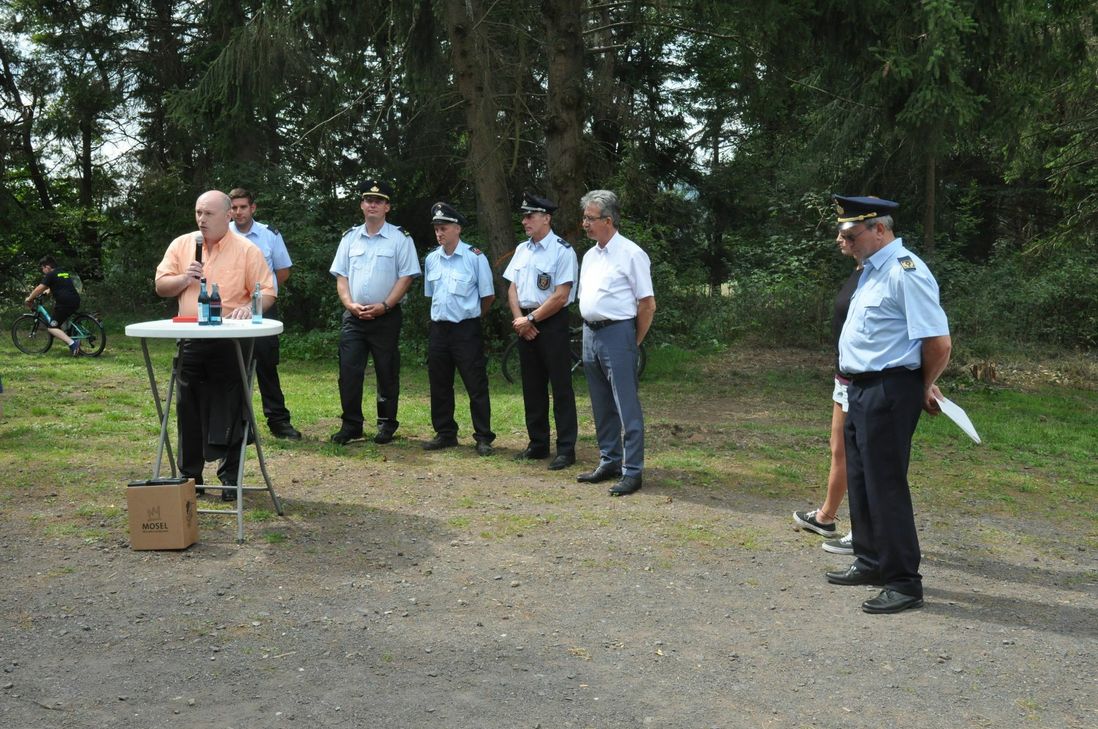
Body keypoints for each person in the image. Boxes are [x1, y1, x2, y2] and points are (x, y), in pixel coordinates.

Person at [825, 194, 951, 614]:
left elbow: (938, 342)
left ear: (880, 229)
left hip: (889, 389)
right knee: (860, 478)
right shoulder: (871, 271)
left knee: (885, 485)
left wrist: (923, 385)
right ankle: (870, 559)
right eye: (844, 234)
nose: (848, 242)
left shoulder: (905, 272)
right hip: (859, 387)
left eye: (853, 234)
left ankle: (903, 582)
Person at [155, 190, 275, 500]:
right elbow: (161, 286)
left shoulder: (247, 250)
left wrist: (250, 307)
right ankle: (190, 476)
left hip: (231, 340)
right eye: (198, 213)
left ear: (228, 216)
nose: (201, 219)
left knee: (232, 407)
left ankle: (229, 478)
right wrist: (184, 279)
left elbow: (268, 292)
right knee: (187, 405)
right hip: (192, 338)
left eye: (208, 214)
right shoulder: (183, 245)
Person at [575, 190, 655, 496]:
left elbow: (647, 304)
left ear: (608, 220)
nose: (585, 224)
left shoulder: (632, 253)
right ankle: (609, 460)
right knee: (600, 404)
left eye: (590, 218)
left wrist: (632, 341)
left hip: (618, 334)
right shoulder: (590, 255)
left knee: (626, 406)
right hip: (590, 334)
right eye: (584, 217)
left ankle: (632, 470)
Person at [329, 180, 421, 445]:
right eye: (368, 200)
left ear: (387, 207)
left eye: (379, 201)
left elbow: (406, 277)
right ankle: (351, 425)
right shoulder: (349, 238)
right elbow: (341, 276)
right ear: (361, 205)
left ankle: (386, 424)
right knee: (348, 371)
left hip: (386, 316)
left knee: (387, 371)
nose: (373, 204)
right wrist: (348, 304)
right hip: (354, 317)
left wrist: (386, 306)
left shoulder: (400, 239)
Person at [793, 230, 862, 554]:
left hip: (863, 380)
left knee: (857, 453)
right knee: (840, 448)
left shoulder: (884, 274)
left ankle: (865, 532)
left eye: (846, 233)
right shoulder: (861, 271)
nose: (839, 238)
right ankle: (826, 516)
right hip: (845, 376)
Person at [503, 192, 579, 471]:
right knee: (532, 387)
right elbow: (512, 287)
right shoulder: (523, 249)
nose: (525, 221)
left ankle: (566, 449)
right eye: (524, 216)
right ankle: (537, 444)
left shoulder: (562, 250)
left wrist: (532, 318)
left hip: (552, 323)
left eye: (530, 216)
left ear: (546, 218)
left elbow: (561, 295)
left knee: (561, 387)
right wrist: (520, 320)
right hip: (524, 323)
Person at [422, 202, 496, 456]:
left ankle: (483, 436)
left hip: (466, 329)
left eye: (443, 228)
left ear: (457, 229)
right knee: (439, 383)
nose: (439, 233)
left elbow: (487, 296)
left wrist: (471, 317)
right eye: (436, 229)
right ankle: (445, 433)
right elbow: (431, 295)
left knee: (475, 384)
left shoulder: (475, 257)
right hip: (439, 330)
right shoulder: (432, 259)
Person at [229, 188, 301, 441]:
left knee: (267, 366)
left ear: (253, 208)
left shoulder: (269, 235)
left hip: (263, 309)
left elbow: (282, 271)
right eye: (234, 208)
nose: (238, 212)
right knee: (234, 368)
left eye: (243, 207)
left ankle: (279, 422)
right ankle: (238, 425)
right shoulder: (223, 235)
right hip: (232, 312)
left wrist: (263, 296)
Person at [24, 256, 82, 356]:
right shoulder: (62, 272)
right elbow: (59, 284)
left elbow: (39, 289)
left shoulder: (50, 274)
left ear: (47, 267)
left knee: (52, 328)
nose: (42, 271)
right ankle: (72, 337)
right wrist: (48, 291)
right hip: (75, 300)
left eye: (42, 268)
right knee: (61, 321)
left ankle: (73, 344)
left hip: (64, 303)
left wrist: (30, 298)